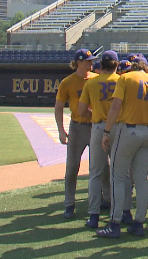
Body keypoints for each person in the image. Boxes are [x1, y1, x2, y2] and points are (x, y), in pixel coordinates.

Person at [96, 56, 148, 238]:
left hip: (127, 130)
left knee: (118, 176)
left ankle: (114, 223)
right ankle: (139, 223)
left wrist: (106, 132)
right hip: (147, 133)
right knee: (142, 180)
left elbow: (115, 107)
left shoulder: (126, 78)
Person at [54, 48, 98, 219]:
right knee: (72, 167)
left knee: (101, 166)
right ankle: (69, 203)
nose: (92, 63)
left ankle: (105, 199)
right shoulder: (68, 82)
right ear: (79, 62)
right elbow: (58, 107)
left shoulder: (96, 79)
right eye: (88, 61)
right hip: (77, 127)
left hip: (95, 125)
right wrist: (61, 130)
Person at [78, 50, 120, 228]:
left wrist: (95, 114)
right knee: (119, 173)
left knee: (95, 173)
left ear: (101, 65)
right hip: (118, 127)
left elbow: (80, 111)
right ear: (117, 65)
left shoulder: (91, 83)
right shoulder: (122, 81)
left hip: (97, 126)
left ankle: (94, 215)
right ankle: (119, 213)